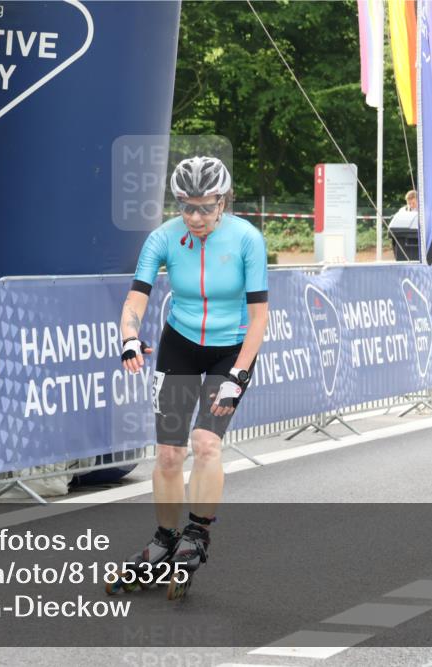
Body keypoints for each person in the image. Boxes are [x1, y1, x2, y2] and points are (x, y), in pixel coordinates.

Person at [116, 156, 268, 598]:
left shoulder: (246, 239)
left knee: (205, 443)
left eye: (206, 207)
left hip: (232, 348)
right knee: (167, 454)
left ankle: (198, 532)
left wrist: (238, 373)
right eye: (187, 207)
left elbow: (260, 318)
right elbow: (136, 298)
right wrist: (129, 335)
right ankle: (164, 539)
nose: (197, 217)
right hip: (180, 342)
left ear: (224, 201)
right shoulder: (163, 238)